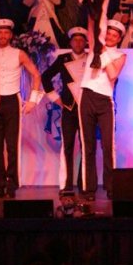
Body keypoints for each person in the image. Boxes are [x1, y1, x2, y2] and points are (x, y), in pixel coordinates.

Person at [0, 19, 43, 199]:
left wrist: (33, 100)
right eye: (0, 32)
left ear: (11, 35)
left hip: (12, 100)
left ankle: (11, 184)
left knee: (12, 145)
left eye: (6, 32)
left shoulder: (19, 54)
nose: (3, 35)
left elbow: (36, 75)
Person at [78, 19, 127, 200]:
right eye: (109, 34)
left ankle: (111, 186)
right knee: (88, 145)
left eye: (115, 35)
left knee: (108, 145)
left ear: (119, 38)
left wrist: (104, 51)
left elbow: (113, 74)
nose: (111, 37)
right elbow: (92, 27)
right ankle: (89, 188)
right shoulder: (93, 47)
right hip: (87, 96)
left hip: (105, 100)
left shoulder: (120, 55)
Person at [41, 26, 89, 195]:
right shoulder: (63, 59)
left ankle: (84, 184)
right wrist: (55, 98)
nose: (78, 43)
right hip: (68, 108)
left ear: (86, 42)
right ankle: (66, 185)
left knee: (86, 147)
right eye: (75, 40)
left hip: (87, 109)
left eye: (81, 40)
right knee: (67, 146)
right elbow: (45, 77)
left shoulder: (91, 58)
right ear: (70, 42)